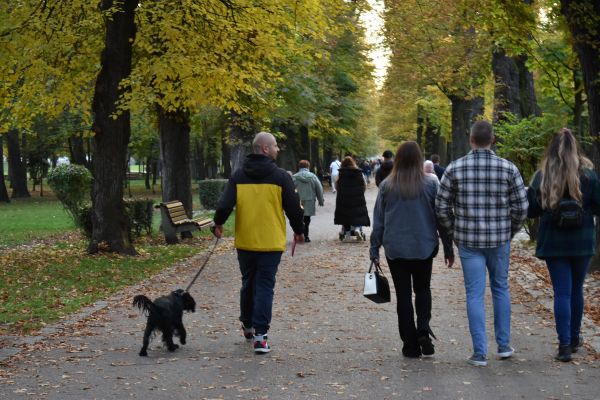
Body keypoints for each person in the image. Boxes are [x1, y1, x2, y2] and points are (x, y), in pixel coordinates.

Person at [435, 120, 528, 367]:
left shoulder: (455, 168)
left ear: (471, 140)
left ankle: (479, 353)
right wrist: (510, 231)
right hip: (499, 240)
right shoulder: (509, 169)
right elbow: (521, 207)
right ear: (493, 139)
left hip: (469, 241)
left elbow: (441, 206)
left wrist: (455, 230)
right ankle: (504, 345)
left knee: (474, 294)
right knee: (500, 288)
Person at [213, 132, 304, 354]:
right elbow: (293, 207)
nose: (278, 149)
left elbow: (225, 204)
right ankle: (261, 338)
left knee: (248, 283)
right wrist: (299, 230)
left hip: (246, 241)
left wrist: (218, 223)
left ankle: (248, 325)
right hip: (271, 241)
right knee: (264, 286)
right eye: (275, 146)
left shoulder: (238, 176)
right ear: (265, 149)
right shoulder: (281, 177)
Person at [370, 142, 454, 358]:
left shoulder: (387, 186)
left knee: (404, 296)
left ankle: (409, 345)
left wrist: (374, 248)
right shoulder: (430, 185)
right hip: (423, 246)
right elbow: (441, 218)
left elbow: (379, 220)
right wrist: (447, 246)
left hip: (396, 248)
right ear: (419, 159)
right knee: (423, 289)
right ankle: (423, 329)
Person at [526, 128, 600, 362]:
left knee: (561, 292)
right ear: (575, 147)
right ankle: (575, 337)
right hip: (582, 240)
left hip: (554, 241)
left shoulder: (543, 175)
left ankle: (564, 345)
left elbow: (532, 210)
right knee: (576, 290)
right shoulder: (588, 174)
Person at [334, 156, 370, 237]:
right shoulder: (359, 172)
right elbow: (364, 184)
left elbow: (337, 185)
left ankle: (347, 234)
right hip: (357, 197)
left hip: (344, 197)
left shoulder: (340, 173)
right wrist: (360, 192)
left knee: (345, 214)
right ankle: (357, 228)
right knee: (357, 213)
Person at [293, 160, 325, 243]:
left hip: (297, 200)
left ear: (299, 167)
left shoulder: (294, 177)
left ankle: (298, 234)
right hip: (309, 200)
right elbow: (319, 188)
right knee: (307, 219)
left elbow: (290, 189)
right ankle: (306, 236)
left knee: (298, 218)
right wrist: (321, 200)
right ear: (308, 167)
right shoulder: (313, 176)